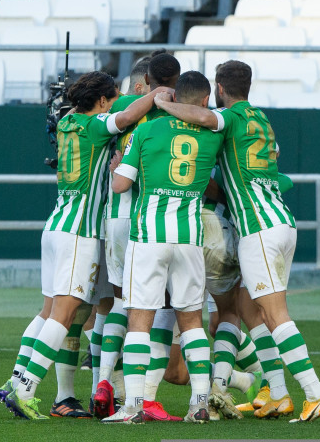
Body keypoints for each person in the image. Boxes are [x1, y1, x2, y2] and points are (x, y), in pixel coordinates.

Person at [153, 60, 320, 423]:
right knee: (252, 311)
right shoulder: (261, 119)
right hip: (281, 221)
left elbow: (204, 119)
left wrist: (163, 104)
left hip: (258, 227)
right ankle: (278, 394)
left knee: (275, 313)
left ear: (219, 89)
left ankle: (315, 393)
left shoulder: (230, 117)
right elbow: (274, 156)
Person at [2, 71, 173, 420]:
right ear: (100, 102)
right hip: (79, 232)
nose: (113, 105)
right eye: (110, 99)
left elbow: (108, 113)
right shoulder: (96, 125)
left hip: (55, 225)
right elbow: (124, 117)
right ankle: (26, 388)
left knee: (48, 311)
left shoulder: (67, 121)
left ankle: (15, 380)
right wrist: (158, 94)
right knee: (64, 315)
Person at [102, 70, 223, 424]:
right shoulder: (212, 134)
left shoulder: (146, 129)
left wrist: (116, 168)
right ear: (203, 101)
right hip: (189, 236)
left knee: (140, 319)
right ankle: (200, 403)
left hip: (149, 236)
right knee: (191, 322)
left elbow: (121, 185)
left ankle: (134, 406)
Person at [94, 50, 183, 422]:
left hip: (112, 216)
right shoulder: (176, 107)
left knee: (119, 300)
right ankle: (144, 397)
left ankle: (103, 383)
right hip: (150, 217)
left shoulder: (125, 105)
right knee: (159, 307)